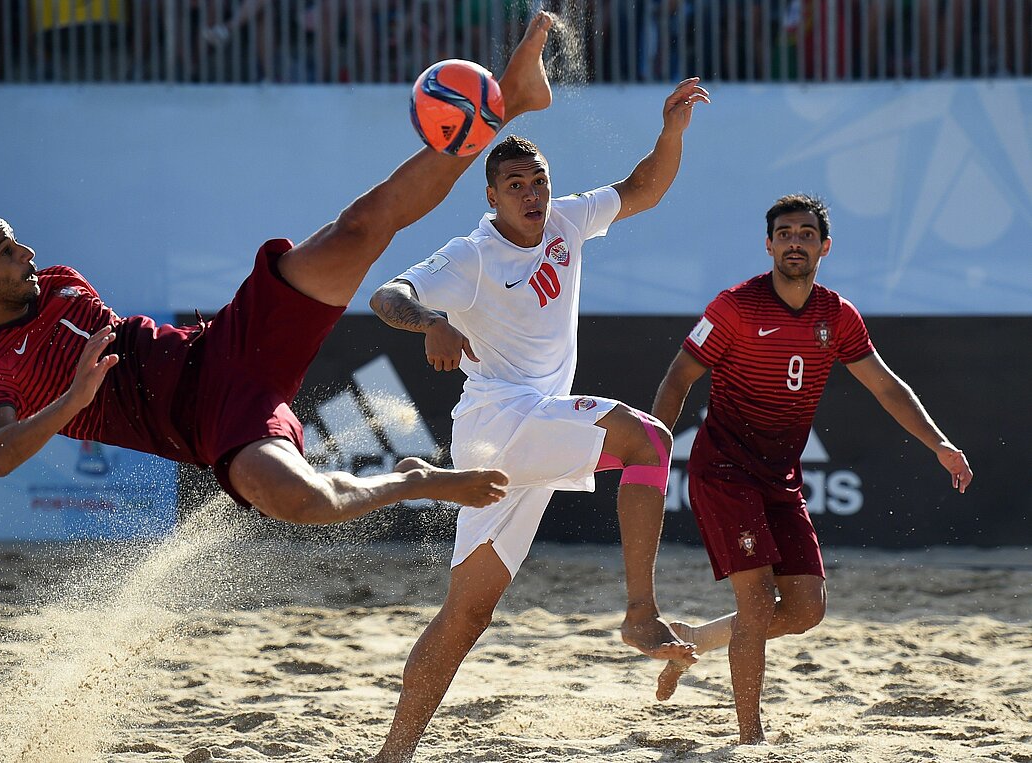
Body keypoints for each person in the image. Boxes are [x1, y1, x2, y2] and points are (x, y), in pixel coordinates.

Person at [0, 12, 564, 527]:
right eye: (6, 253)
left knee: (360, 228)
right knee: (307, 505)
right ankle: (414, 481)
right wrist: (73, 399)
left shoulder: (58, 281)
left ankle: (507, 101)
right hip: (209, 424)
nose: (28, 255)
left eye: (17, 243)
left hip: (227, 341)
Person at [367, 76, 711, 761]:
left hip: (523, 435)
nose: (531, 193)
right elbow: (387, 293)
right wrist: (432, 320)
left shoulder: (567, 220)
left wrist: (670, 133)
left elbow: (644, 187)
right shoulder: (472, 254)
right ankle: (640, 614)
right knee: (647, 439)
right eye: (516, 184)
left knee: (466, 615)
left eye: (538, 180)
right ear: (491, 196)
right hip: (501, 421)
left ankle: (392, 754)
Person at [650, 193, 974, 745]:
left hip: (781, 476)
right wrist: (654, 455)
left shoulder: (837, 314)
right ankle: (749, 738)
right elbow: (678, 377)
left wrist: (939, 443)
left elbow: (884, 385)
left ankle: (692, 642)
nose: (794, 241)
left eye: (805, 233)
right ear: (769, 244)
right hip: (724, 470)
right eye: (784, 233)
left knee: (805, 609)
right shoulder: (735, 306)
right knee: (753, 604)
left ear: (824, 246)